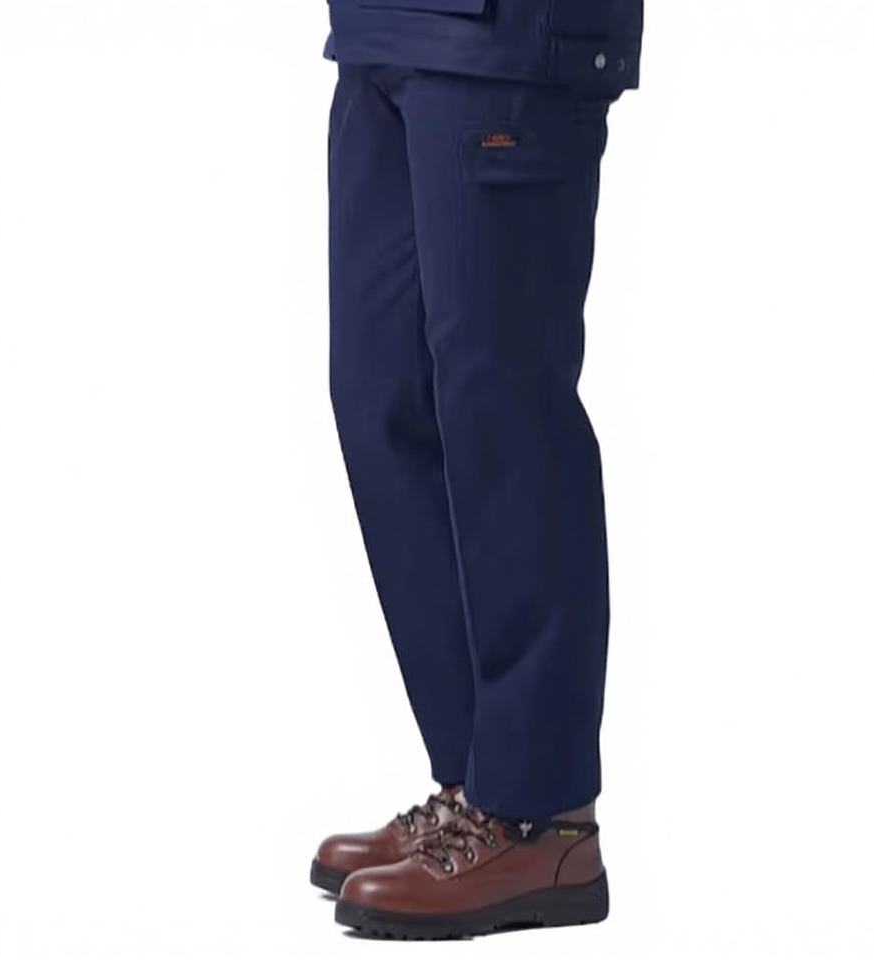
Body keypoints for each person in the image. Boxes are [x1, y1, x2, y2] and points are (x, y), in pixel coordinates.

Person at [311, 0, 643, 939]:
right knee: (380, 394)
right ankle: (476, 790)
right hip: (380, 30)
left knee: (504, 413)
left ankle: (542, 815)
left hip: (507, 41)